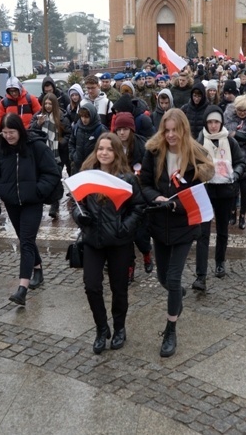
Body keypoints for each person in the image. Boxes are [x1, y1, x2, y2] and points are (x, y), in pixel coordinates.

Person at [140, 108, 214, 357]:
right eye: (166, 130)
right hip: (160, 225)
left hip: (184, 226)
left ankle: (171, 329)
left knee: (173, 278)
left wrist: (175, 204)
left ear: (183, 129)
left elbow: (197, 193)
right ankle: (177, 294)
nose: (171, 135)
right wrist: (157, 197)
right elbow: (145, 185)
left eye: (175, 130)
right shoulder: (153, 151)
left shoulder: (196, 156)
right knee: (164, 279)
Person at [72, 133, 145, 354]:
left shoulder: (127, 178)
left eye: (109, 149)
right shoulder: (87, 175)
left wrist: (124, 228)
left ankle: (120, 328)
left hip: (119, 242)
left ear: (116, 152)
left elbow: (138, 207)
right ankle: (102, 328)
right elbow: (75, 203)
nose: (103, 152)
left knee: (119, 289)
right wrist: (78, 216)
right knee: (92, 285)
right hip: (93, 240)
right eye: (100, 148)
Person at [0, 114, 61, 305]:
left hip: (32, 202)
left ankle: (22, 288)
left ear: (20, 130)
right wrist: (0, 190)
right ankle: (37, 268)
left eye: (11, 132)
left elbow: (52, 172)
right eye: (4, 132)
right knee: (25, 238)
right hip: (12, 202)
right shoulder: (0, 151)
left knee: (27, 242)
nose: (8, 136)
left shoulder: (36, 147)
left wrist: (38, 191)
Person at [193, 105, 246, 289]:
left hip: (225, 190)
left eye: (216, 122)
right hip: (206, 190)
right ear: (206, 123)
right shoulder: (200, 140)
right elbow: (193, 163)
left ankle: (220, 262)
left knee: (222, 229)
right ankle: (201, 275)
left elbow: (240, 161)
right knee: (203, 233)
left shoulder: (230, 141)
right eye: (210, 122)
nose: (213, 126)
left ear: (221, 122)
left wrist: (235, 174)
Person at [112, 112, 153, 280]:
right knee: (124, 235)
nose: (122, 133)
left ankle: (146, 254)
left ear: (131, 130)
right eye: (119, 129)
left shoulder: (142, 146)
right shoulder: (112, 146)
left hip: (139, 195)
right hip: (120, 195)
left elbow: (148, 171)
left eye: (125, 129)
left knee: (140, 234)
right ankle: (129, 266)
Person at [31, 93, 72, 219]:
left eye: (50, 104)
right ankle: (48, 201)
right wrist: (38, 123)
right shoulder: (38, 116)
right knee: (44, 178)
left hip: (58, 154)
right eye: (46, 103)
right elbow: (31, 132)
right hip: (43, 153)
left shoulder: (62, 117)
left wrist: (62, 142)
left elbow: (69, 134)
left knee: (56, 178)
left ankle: (55, 205)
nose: (47, 106)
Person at [224, 95, 246, 229]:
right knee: (233, 188)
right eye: (240, 111)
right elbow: (226, 134)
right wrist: (241, 137)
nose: (242, 113)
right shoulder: (228, 116)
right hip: (232, 158)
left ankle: (242, 215)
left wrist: (236, 135)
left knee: (244, 189)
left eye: (245, 111)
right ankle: (233, 212)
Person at [69, 102, 109, 174]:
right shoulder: (76, 127)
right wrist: (74, 156)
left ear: (92, 116)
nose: (84, 119)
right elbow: (71, 143)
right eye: (82, 116)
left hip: (94, 168)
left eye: (87, 117)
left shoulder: (100, 129)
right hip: (78, 167)